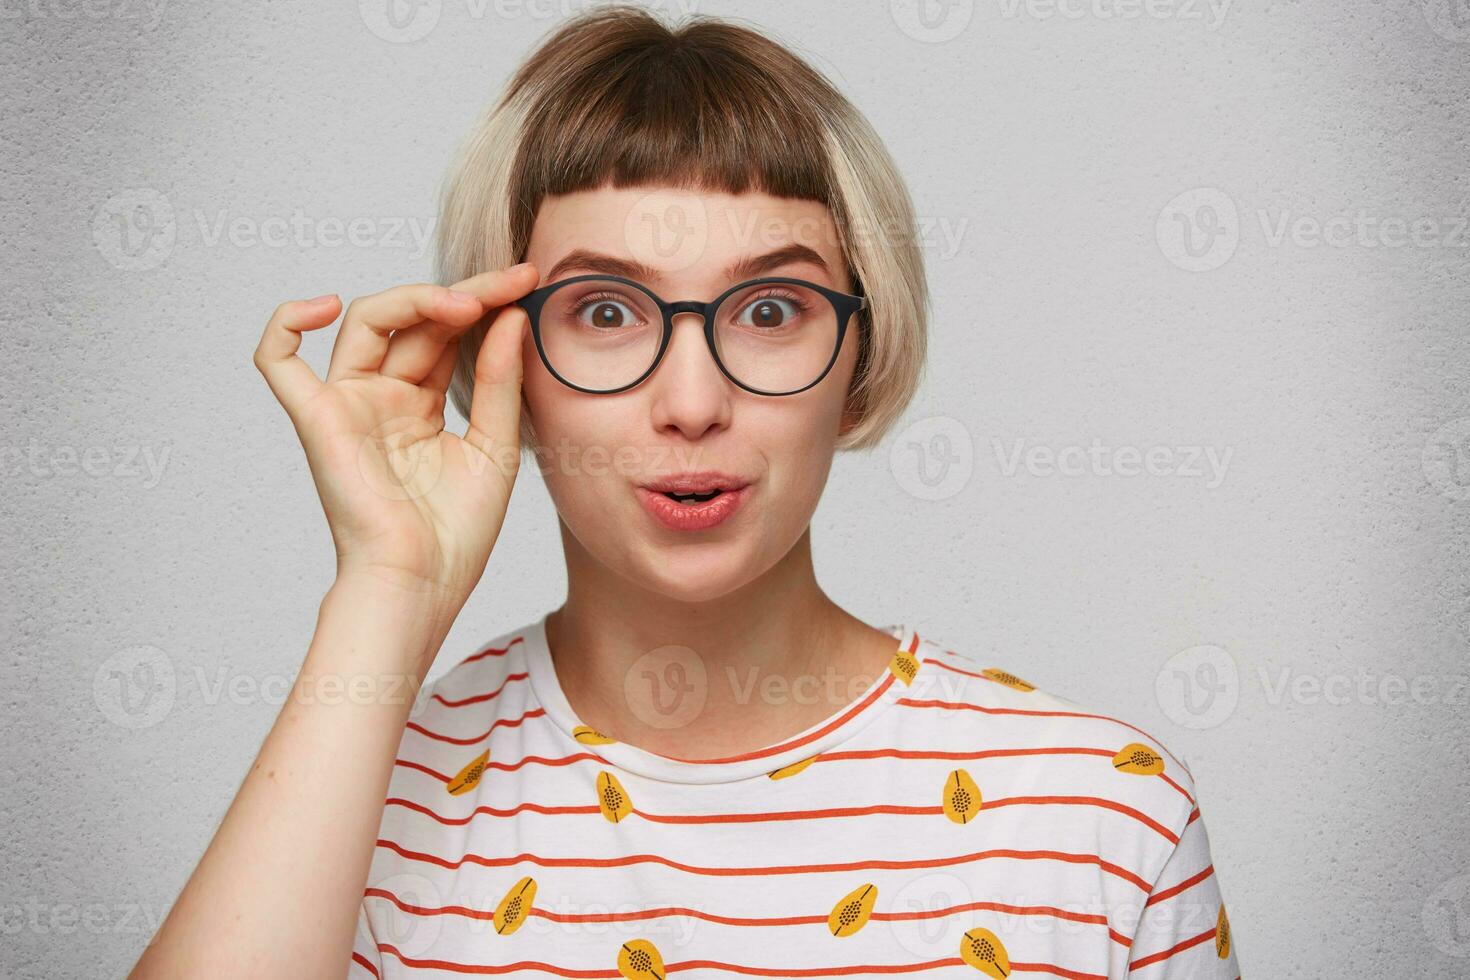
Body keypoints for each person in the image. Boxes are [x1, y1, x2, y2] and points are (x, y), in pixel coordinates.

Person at [129, 6, 1240, 978]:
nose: (693, 401)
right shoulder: (363, 801)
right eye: (607, 312)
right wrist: (386, 583)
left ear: (862, 348)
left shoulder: (1103, 816)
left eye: (769, 311)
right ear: (501, 357)